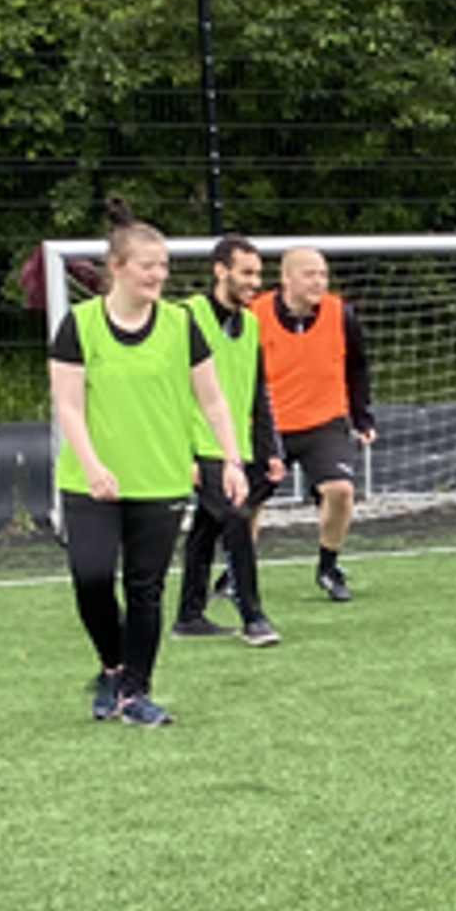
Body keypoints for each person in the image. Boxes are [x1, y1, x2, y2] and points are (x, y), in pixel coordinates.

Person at [51, 218, 248, 727]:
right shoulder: (80, 323)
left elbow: (213, 400)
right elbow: (69, 406)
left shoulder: (182, 324)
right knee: (92, 579)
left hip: (159, 480)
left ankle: (135, 691)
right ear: (117, 268)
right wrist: (93, 465)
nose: (159, 274)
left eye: (163, 265)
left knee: (146, 589)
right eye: (148, 265)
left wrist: (230, 459)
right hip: (89, 482)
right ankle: (112, 666)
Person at [174, 234, 286, 647]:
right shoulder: (185, 317)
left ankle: (189, 614)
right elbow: (168, 389)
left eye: (259, 273)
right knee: (237, 517)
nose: (255, 282)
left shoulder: (252, 323)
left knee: (208, 525)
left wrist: (270, 449)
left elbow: (257, 391)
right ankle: (253, 616)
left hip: (234, 448)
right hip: (198, 446)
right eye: (247, 272)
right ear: (220, 270)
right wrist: (182, 454)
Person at [255, 244, 376, 602]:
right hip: (268, 424)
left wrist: (361, 415)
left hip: (324, 421)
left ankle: (328, 566)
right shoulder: (254, 314)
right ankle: (237, 570)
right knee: (248, 501)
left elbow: (358, 367)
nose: (318, 281)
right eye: (309, 274)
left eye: (322, 274)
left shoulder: (341, 315)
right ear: (286, 278)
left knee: (340, 490)